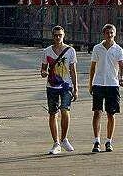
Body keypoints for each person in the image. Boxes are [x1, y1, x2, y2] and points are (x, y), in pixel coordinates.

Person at [40, 25, 78, 155]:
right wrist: (44, 72)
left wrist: (76, 88)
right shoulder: (47, 51)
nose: (57, 37)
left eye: (60, 35)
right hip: (51, 86)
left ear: (64, 35)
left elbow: (73, 70)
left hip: (66, 86)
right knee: (52, 113)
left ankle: (64, 139)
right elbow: (43, 68)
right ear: (52, 36)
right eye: (55, 35)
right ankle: (56, 143)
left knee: (65, 110)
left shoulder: (70, 51)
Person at [88, 23, 123, 153]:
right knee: (97, 112)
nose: (109, 35)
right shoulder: (97, 48)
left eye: (111, 33)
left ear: (115, 34)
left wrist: (122, 77)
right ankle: (96, 140)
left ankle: (109, 141)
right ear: (103, 34)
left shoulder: (118, 49)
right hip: (98, 83)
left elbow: (122, 67)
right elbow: (93, 67)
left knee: (111, 113)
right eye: (107, 33)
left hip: (112, 84)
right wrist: (90, 84)